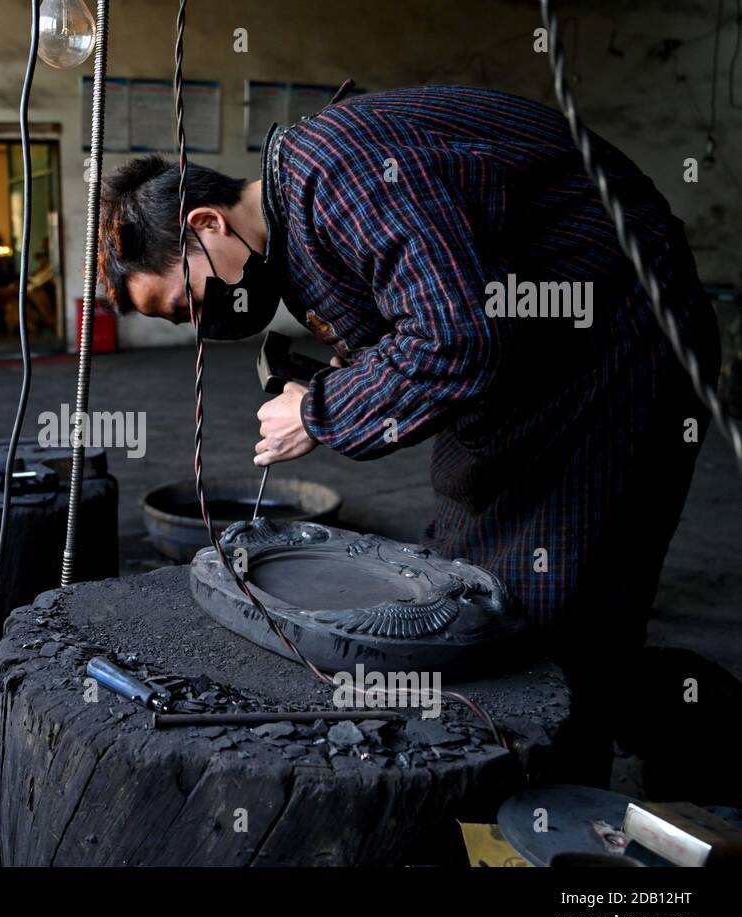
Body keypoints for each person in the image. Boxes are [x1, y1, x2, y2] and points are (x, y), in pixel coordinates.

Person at [97, 85, 721, 784]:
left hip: (618, 334)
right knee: (464, 559)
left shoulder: (338, 172)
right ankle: (532, 736)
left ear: (207, 223)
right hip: (533, 354)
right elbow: (412, 317)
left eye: (190, 302)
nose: (203, 324)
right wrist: (331, 375)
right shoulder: (295, 229)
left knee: (560, 591)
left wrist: (319, 410)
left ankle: (579, 781)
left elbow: (455, 341)